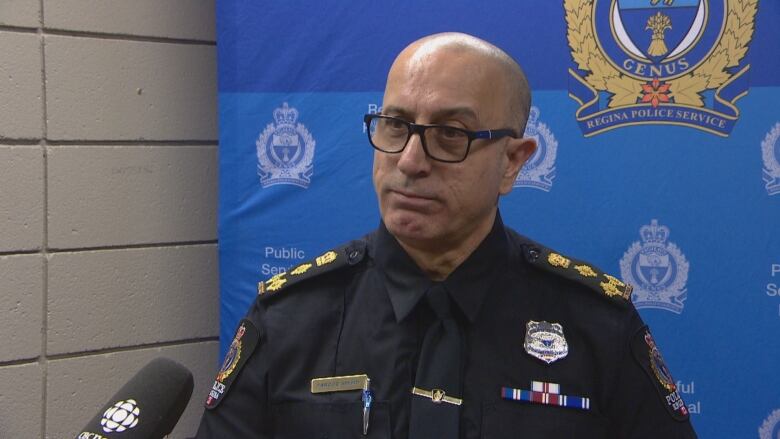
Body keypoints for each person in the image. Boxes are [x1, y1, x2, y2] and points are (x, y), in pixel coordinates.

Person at [195, 32, 698, 438]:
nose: (411, 162)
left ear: (512, 161)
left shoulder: (595, 326)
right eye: (395, 125)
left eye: (450, 134)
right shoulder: (290, 319)